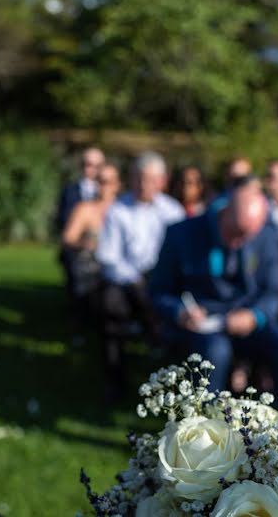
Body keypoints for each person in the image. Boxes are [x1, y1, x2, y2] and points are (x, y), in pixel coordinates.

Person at [150, 177, 278, 403]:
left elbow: (273, 292)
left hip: (247, 319)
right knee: (215, 351)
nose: (240, 241)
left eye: (247, 236)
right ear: (224, 213)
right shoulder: (181, 233)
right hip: (201, 322)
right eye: (235, 233)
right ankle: (204, 427)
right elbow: (159, 290)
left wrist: (255, 315)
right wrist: (180, 312)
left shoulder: (266, 238)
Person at [95, 151, 185, 400]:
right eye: (137, 178)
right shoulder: (118, 210)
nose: (142, 185)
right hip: (128, 282)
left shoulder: (172, 211)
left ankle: (172, 382)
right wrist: (135, 279)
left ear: (161, 181)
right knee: (110, 305)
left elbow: (180, 257)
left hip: (165, 282)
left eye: (148, 179)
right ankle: (115, 379)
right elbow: (108, 258)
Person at [60, 163, 121, 328]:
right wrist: (85, 243)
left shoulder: (124, 209)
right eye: (99, 181)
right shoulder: (85, 209)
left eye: (108, 181)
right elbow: (68, 237)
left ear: (117, 184)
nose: (103, 186)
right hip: (91, 266)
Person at [55, 146, 105, 233]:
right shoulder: (69, 191)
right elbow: (62, 218)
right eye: (89, 165)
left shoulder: (107, 192)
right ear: (82, 165)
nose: (93, 170)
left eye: (98, 166)